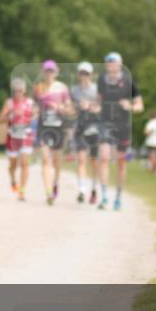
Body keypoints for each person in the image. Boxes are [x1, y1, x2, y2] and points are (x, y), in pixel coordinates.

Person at [96, 51, 144, 211]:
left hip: (123, 125)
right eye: (107, 62)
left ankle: (118, 197)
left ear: (119, 64)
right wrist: (92, 107)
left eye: (113, 61)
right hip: (105, 123)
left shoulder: (128, 81)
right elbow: (98, 100)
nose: (110, 64)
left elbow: (139, 106)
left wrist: (129, 106)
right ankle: (104, 197)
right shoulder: (102, 80)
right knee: (103, 158)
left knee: (121, 163)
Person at [33, 60, 70, 205]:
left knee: (56, 161)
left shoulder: (62, 88)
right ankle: (48, 192)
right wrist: (35, 111)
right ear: (43, 72)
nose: (49, 74)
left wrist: (60, 107)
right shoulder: (38, 88)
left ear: (57, 72)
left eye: (52, 71)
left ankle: (55, 183)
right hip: (44, 127)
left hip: (58, 127)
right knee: (45, 159)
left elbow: (69, 109)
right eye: (47, 71)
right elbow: (35, 106)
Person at [0, 77, 35, 201]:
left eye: (20, 90)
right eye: (15, 91)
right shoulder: (9, 103)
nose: (18, 93)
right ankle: (13, 179)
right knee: (13, 164)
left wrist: (31, 118)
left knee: (24, 164)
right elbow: (0, 120)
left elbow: (35, 116)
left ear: (24, 90)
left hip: (25, 136)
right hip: (12, 137)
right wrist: (10, 114)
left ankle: (22, 191)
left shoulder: (29, 102)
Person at [71, 61, 100, 205]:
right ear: (78, 74)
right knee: (81, 159)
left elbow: (102, 107)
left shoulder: (96, 89)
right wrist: (77, 106)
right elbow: (71, 109)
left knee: (94, 161)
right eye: (81, 73)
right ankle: (82, 190)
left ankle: (94, 189)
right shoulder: (74, 90)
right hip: (80, 127)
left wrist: (90, 106)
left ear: (91, 75)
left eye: (86, 73)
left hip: (94, 128)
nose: (84, 76)